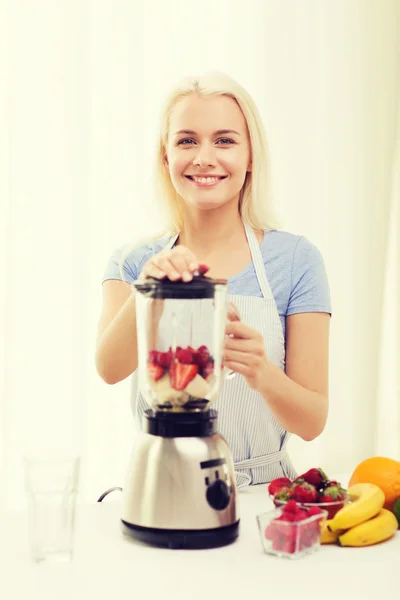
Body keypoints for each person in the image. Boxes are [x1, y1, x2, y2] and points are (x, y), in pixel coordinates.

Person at [96, 71, 331, 488]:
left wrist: (261, 370)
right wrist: (148, 290)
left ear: (251, 156)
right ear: (165, 157)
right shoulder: (133, 261)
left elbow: (312, 421)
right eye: (187, 140)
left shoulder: (296, 260)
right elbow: (110, 369)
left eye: (225, 140)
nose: (204, 157)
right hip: (163, 486)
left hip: (264, 493)